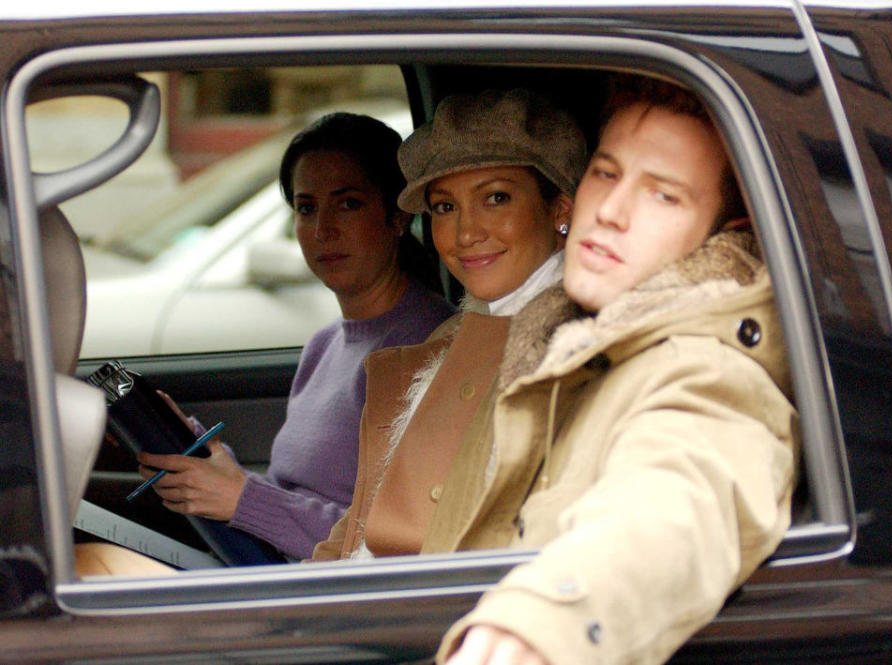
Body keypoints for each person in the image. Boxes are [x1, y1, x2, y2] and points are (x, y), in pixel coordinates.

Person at [426, 76, 799, 665]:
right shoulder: (555, 335)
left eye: (664, 195)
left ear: (726, 234)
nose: (612, 212)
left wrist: (547, 625)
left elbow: (673, 505)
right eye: (606, 173)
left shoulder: (705, 373)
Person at [135, 113, 455, 560]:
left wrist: (243, 498)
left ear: (398, 216)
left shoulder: (426, 348)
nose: (323, 229)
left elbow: (390, 543)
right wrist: (208, 459)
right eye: (306, 208)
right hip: (274, 568)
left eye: (348, 204)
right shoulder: (325, 345)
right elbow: (296, 499)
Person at [310, 88, 587, 560]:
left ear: (559, 209)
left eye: (495, 198)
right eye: (445, 207)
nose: (465, 233)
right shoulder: (448, 341)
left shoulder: (578, 350)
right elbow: (358, 530)